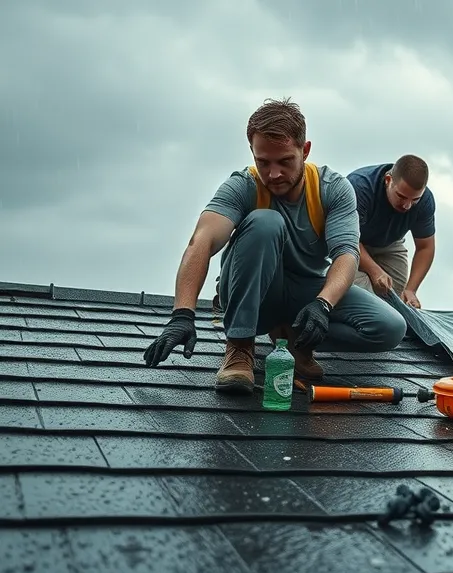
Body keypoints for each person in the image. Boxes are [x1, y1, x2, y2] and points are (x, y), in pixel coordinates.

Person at [142, 98, 407, 395]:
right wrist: (182, 314)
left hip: (305, 293)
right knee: (266, 223)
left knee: (390, 327)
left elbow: (346, 254)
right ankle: (240, 346)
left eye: (285, 161)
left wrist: (323, 304)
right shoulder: (243, 186)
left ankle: (295, 340)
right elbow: (201, 241)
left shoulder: (332, 188)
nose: (274, 174)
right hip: (253, 291)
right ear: (252, 153)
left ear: (304, 150)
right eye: (263, 162)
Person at [346, 155, 436, 309]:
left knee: (395, 298)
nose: (407, 206)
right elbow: (347, 237)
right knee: (364, 293)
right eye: (401, 197)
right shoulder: (359, 186)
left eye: (414, 200)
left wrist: (411, 289)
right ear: (388, 180)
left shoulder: (425, 200)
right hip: (350, 241)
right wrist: (374, 271)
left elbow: (425, 247)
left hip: (390, 243)